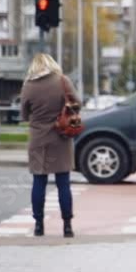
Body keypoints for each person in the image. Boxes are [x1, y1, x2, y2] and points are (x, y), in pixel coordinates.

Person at [20, 53, 80, 238]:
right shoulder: (63, 81)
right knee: (63, 183)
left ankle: (39, 225)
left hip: (38, 140)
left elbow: (24, 115)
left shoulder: (28, 86)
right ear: (52, 64)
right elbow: (77, 104)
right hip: (61, 137)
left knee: (39, 182)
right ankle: (67, 226)